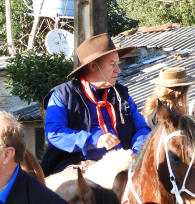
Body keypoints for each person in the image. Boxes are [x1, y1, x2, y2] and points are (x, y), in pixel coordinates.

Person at [42, 33, 150, 176]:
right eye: (112, 64)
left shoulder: (121, 93)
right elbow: (54, 132)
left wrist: (137, 152)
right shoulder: (63, 95)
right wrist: (93, 139)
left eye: (118, 64)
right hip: (78, 165)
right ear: (93, 66)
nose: (118, 70)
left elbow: (141, 127)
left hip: (124, 161)